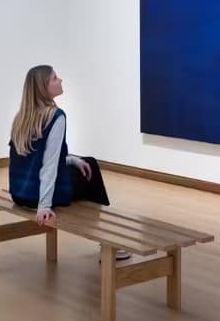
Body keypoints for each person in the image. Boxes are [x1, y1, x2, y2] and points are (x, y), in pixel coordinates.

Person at [8, 64, 130, 259]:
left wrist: (72, 160)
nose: (60, 80)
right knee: (91, 167)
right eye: (55, 78)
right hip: (37, 197)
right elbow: (48, 166)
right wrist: (44, 206)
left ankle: (106, 239)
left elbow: (34, 159)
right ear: (44, 87)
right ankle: (108, 243)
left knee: (85, 163)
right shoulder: (56, 117)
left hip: (19, 193)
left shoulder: (21, 118)